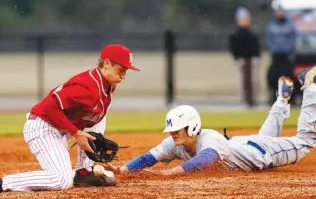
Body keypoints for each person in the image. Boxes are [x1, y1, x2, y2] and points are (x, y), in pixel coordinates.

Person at [0, 44, 140, 193]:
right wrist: (76, 133)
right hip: (44, 127)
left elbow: (94, 117)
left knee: (98, 114)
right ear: (106, 64)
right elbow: (50, 106)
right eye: (121, 70)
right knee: (62, 181)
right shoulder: (88, 87)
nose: (124, 75)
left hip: (61, 127)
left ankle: (84, 171)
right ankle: (1, 183)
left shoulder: (107, 83)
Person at [107, 67, 316, 175]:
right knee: (263, 137)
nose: (172, 132)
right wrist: (123, 169)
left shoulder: (210, 139)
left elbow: (204, 160)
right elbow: (147, 158)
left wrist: (170, 173)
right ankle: (281, 100)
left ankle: (310, 86)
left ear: (193, 127)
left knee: (306, 141)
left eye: (177, 128)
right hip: (243, 145)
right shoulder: (175, 143)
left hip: (261, 155)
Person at [229, 6, 261, 108]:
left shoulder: (251, 33)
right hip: (242, 59)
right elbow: (233, 48)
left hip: (251, 59)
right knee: (244, 81)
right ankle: (246, 99)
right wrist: (237, 58)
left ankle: (253, 99)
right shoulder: (235, 34)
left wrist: (256, 57)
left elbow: (256, 47)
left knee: (254, 80)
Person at [266, 6, 297, 105]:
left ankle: (290, 98)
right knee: (273, 78)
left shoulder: (290, 26)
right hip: (276, 57)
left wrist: (285, 49)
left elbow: (292, 41)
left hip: (286, 57)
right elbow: (269, 40)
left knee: (288, 77)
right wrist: (275, 49)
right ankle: (275, 97)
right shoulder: (271, 26)